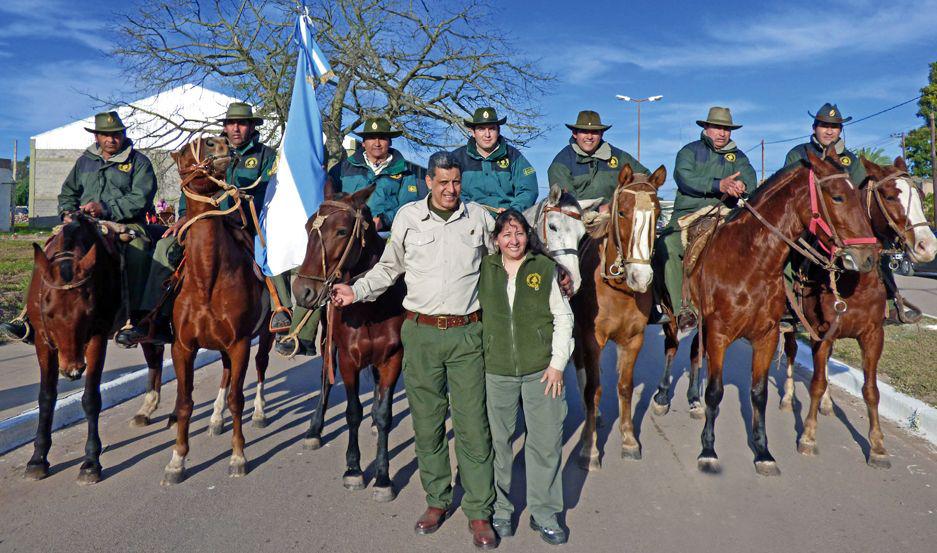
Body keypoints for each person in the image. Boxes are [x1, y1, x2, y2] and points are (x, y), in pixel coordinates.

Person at [330, 151, 499, 550]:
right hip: (420, 334)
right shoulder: (408, 218)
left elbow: (505, 261)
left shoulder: (479, 218)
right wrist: (356, 291)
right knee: (427, 424)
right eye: (443, 182)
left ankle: (479, 509)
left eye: (455, 182)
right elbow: (389, 269)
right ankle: (437, 500)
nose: (450, 190)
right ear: (429, 182)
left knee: (473, 426)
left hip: (466, 333)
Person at [116, 102, 288, 347]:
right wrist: (184, 215)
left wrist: (242, 202)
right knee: (164, 247)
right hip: (204, 223)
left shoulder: (266, 156)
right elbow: (191, 183)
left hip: (246, 224)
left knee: (272, 253)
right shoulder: (209, 151)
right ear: (225, 127)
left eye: (241, 123)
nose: (235, 128)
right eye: (231, 123)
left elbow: (269, 191)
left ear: (251, 127)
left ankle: (281, 311)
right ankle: (152, 319)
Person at [1, 111, 157, 343]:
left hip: (126, 223)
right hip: (84, 221)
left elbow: (140, 198)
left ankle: (135, 319)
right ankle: (27, 317)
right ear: (96, 137)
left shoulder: (139, 162)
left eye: (116, 134)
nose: (111, 139)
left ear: (123, 134)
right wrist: (67, 212)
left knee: (139, 252)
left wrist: (104, 208)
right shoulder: (85, 161)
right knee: (50, 249)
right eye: (105, 135)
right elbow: (68, 192)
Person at [479, 209, 572, 545]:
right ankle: (501, 510)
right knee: (498, 444)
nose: (514, 240)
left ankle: (544, 513)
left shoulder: (544, 268)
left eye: (518, 233)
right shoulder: (484, 270)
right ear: (496, 240)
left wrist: (557, 364)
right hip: (497, 371)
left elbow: (563, 318)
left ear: (527, 236)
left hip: (541, 372)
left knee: (545, 443)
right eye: (506, 234)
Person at [783, 102, 921, 324]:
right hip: (808, 219)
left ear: (840, 130)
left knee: (876, 244)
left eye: (835, 127)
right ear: (814, 127)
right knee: (786, 248)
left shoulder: (850, 160)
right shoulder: (798, 154)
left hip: (842, 222)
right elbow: (788, 189)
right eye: (824, 125)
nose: (829, 131)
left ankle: (890, 302)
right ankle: (786, 304)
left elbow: (860, 194)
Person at [655, 107, 757, 331]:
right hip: (688, 215)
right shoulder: (689, 151)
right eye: (717, 128)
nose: (722, 133)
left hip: (727, 214)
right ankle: (682, 308)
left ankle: (758, 305)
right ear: (706, 128)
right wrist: (718, 185)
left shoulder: (739, 157)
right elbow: (684, 178)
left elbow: (750, 178)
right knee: (667, 246)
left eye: (726, 129)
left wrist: (743, 185)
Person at [547, 110, 648, 207]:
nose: (589, 137)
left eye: (594, 132)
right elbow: (566, 202)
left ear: (601, 134)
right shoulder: (561, 162)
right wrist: (596, 209)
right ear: (574, 133)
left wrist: (618, 204)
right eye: (584, 131)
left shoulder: (620, 157)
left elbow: (646, 180)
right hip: (576, 216)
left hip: (614, 215)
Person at [451, 107, 538, 212]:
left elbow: (528, 190)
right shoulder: (456, 158)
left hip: (506, 218)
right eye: (481, 129)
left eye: (492, 129)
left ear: (498, 131)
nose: (487, 135)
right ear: (473, 132)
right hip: (467, 216)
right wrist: (470, 209)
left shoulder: (514, 156)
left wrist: (513, 212)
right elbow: (447, 188)